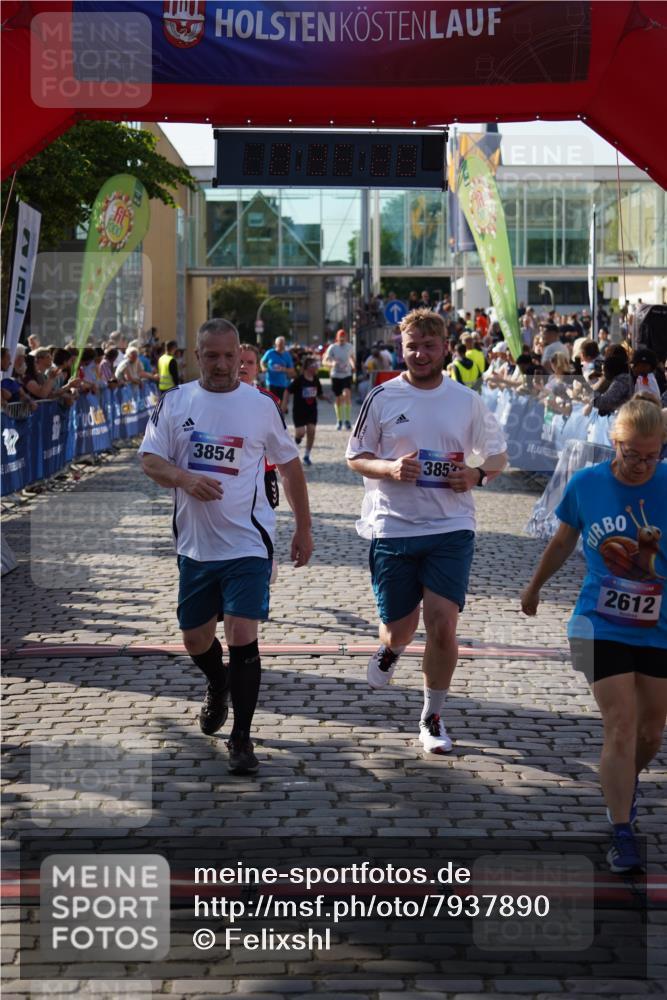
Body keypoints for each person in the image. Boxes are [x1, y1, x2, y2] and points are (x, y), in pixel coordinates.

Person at [139, 319, 313, 775]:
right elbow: (150, 459)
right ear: (197, 356)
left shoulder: (260, 405)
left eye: (228, 356)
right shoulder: (175, 403)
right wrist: (184, 478)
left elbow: (292, 469)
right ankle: (218, 683)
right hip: (196, 546)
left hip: (248, 542)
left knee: (241, 633)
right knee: (196, 639)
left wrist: (303, 529)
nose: (220, 364)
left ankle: (241, 737)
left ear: (241, 357)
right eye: (210, 355)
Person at [346, 309, 507, 755]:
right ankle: (391, 650)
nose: (420, 354)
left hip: (450, 526)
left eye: (429, 346)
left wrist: (474, 475)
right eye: (412, 346)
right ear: (402, 347)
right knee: (399, 627)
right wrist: (390, 468)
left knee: (441, 625)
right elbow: (356, 457)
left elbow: (497, 456)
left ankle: (431, 716)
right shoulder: (381, 396)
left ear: (445, 349)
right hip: (393, 526)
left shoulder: (466, 400)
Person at [521, 396, 667, 873]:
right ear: (614, 444)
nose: (643, 465)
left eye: (653, 455)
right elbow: (563, 539)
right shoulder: (587, 483)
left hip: (659, 626)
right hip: (596, 622)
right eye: (633, 454)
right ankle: (621, 829)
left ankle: (622, 780)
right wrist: (535, 586)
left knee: (650, 732)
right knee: (621, 724)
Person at [287, 355, 329, 466]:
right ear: (307, 367)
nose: (316, 367)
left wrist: (326, 397)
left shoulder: (315, 379)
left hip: (311, 410)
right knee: (301, 433)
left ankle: (307, 455)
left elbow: (319, 394)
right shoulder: (299, 380)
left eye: (316, 365)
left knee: (311, 430)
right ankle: (297, 439)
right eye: (314, 365)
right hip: (299, 410)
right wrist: (283, 405)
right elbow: (287, 391)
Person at [323, 328, 355, 430]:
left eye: (343, 337)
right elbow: (324, 361)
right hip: (335, 375)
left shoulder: (350, 347)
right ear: (337, 338)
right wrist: (331, 364)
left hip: (346, 375)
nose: (342, 339)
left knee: (346, 394)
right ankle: (339, 420)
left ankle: (348, 420)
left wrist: (353, 365)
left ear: (346, 337)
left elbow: (351, 357)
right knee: (338, 398)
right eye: (340, 338)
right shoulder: (332, 348)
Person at [261, 336, 295, 414]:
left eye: (282, 344)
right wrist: (263, 368)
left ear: (284, 344)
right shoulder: (270, 352)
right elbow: (262, 361)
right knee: (270, 402)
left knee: (280, 404)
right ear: (276, 344)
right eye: (279, 344)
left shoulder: (287, 355)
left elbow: (292, 370)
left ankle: (279, 419)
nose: (280, 346)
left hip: (282, 383)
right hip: (270, 382)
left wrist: (283, 369)